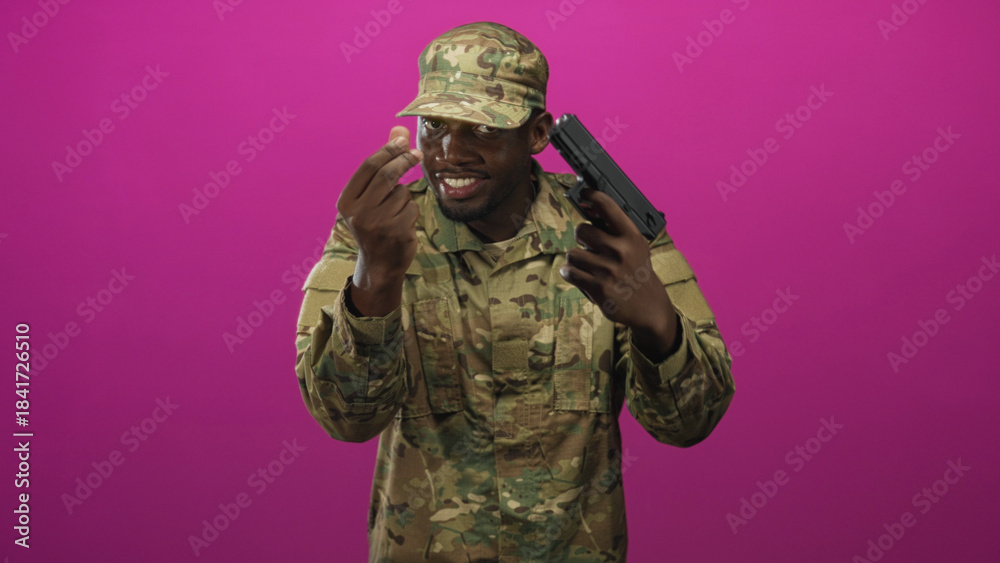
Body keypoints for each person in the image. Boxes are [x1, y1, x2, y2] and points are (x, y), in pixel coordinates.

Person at [294, 21, 735, 562]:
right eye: (434, 125)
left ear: (538, 133)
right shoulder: (377, 233)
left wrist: (657, 327)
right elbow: (345, 418)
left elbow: (690, 425)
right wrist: (375, 279)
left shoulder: (614, 234)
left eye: (482, 129)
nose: (449, 153)